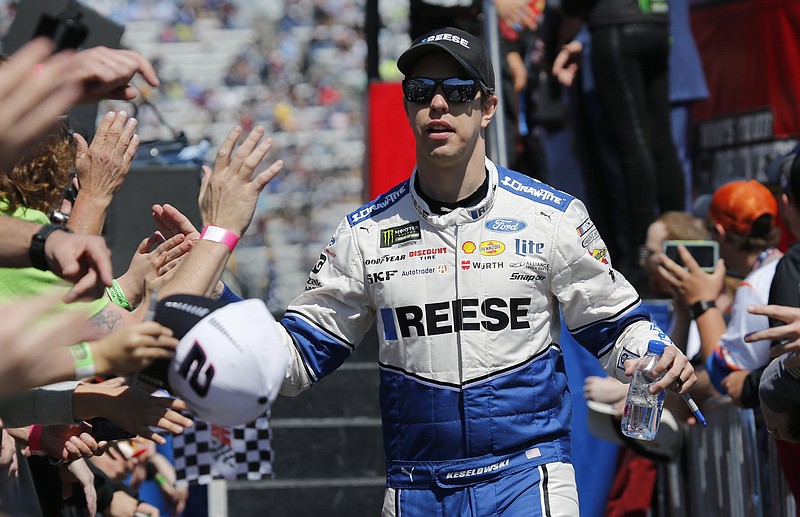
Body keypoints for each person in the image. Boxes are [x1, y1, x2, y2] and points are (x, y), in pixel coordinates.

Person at [157, 27, 695, 516]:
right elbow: (294, 363)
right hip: (416, 489)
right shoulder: (364, 233)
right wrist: (209, 284)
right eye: (420, 91)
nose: (438, 103)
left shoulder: (552, 215)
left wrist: (655, 355)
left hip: (526, 477)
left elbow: (614, 324)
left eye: (458, 91)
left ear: (487, 108)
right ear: (408, 106)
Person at [657, 179, 782, 397]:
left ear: (719, 231)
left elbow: (724, 376)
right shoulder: (783, 265)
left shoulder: (753, 287)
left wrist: (702, 302)